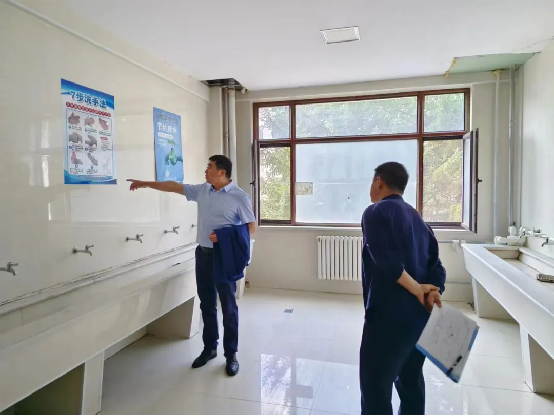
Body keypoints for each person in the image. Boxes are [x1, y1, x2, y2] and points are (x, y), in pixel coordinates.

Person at [127, 155, 256, 377]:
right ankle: (209, 348)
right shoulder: (203, 190)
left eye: (210, 167)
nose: (206, 171)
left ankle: (231, 355)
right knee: (206, 304)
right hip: (203, 254)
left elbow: (251, 228)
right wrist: (145, 183)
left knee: (228, 307)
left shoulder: (239, 196)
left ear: (222, 172)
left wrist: (224, 236)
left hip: (224, 257)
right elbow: (174, 187)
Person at [360, 162, 446, 415]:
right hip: (419, 319)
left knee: (375, 387)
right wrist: (433, 291)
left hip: (387, 317)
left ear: (379, 182)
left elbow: (383, 258)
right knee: (410, 382)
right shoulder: (418, 218)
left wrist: (417, 288)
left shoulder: (375, 212)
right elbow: (437, 266)